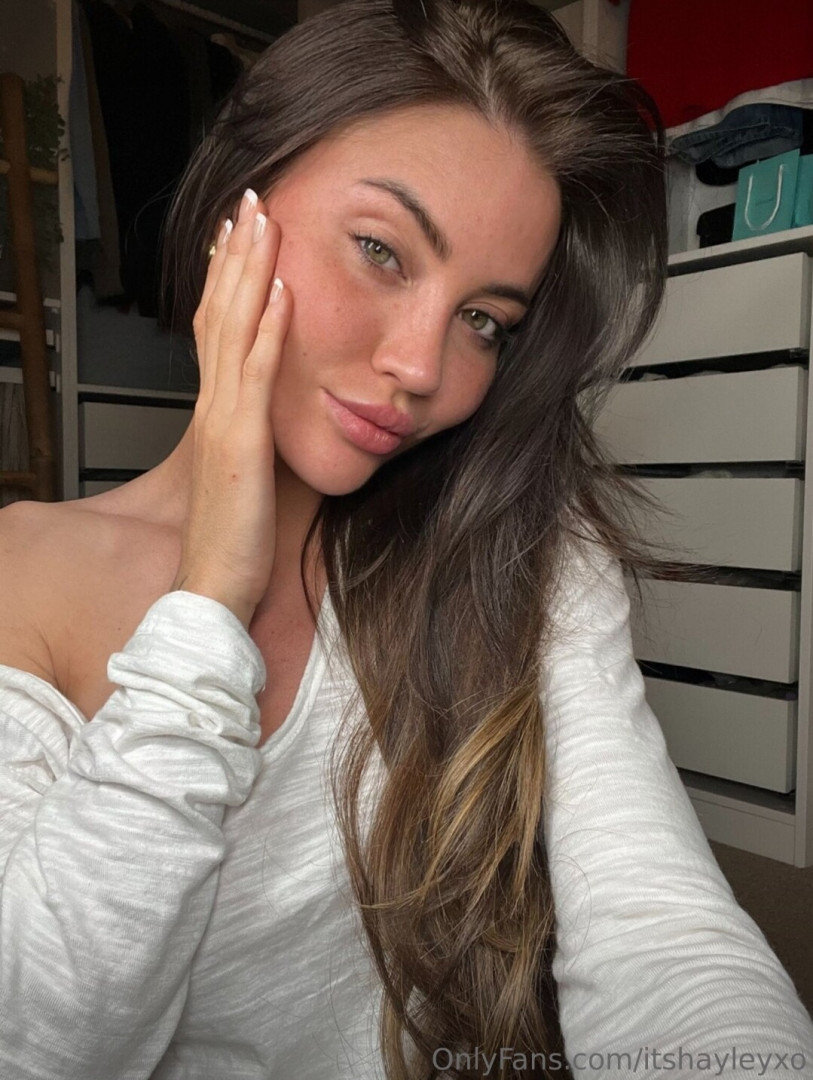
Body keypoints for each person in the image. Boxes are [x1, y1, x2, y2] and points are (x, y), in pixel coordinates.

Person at [1, 0, 812, 1077]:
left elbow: (656, 924)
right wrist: (209, 602)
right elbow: (40, 1044)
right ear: (236, 202)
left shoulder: (515, 544)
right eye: (380, 250)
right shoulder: (24, 573)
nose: (424, 367)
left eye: (485, 321)